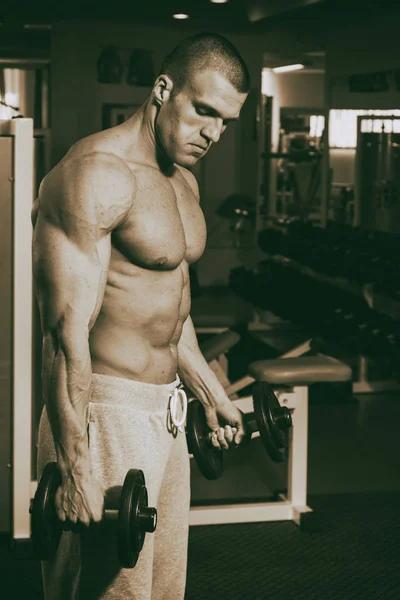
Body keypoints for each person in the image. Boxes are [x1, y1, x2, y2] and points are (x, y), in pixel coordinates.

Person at [32, 32, 250, 600]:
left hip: (166, 411)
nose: (212, 134)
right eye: (204, 111)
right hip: (105, 410)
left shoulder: (183, 182)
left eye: (225, 121)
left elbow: (168, 313)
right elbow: (63, 336)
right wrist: (77, 463)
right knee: (107, 590)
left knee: (159, 587)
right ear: (163, 89)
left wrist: (208, 391)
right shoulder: (95, 175)